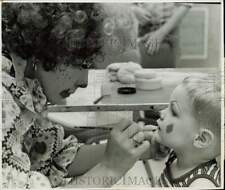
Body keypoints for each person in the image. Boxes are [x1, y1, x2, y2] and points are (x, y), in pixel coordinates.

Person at [2, 3, 152, 188]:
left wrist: (143, 148)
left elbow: (48, 157)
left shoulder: (25, 81)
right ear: (51, 47)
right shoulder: (3, 96)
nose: (84, 82)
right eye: (82, 64)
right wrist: (110, 168)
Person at [146, 74, 221, 187]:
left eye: (174, 112)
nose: (161, 113)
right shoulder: (179, 154)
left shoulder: (201, 184)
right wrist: (156, 145)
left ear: (201, 138)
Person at [132, 2, 192, 68]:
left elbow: (186, 5)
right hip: (141, 29)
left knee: (167, 74)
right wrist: (133, 9)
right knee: (139, 72)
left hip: (169, 30)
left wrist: (161, 33)